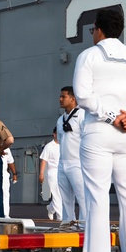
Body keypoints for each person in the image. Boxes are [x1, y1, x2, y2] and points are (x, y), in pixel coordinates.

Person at [67, 7, 126, 252]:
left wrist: (111, 116)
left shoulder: (89, 56)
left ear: (98, 29)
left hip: (100, 132)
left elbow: (83, 96)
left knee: (97, 195)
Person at [55, 85, 85, 224]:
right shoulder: (61, 119)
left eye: (64, 96)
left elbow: (87, 138)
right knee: (65, 199)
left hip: (77, 162)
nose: (60, 99)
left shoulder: (82, 115)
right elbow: (61, 140)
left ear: (73, 98)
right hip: (63, 163)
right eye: (60, 96)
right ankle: (68, 226)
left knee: (82, 197)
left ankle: (85, 228)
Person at [38, 129, 62, 221]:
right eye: (58, 133)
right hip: (53, 171)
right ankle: (60, 216)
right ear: (54, 134)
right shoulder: (49, 146)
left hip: (63, 170)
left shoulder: (64, 144)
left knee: (62, 194)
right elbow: (44, 160)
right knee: (56, 194)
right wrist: (41, 174)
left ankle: (51, 208)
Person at [2, 147, 18, 217]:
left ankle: (5, 214)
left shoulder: (6, 149)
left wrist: (14, 174)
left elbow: (10, 161)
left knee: (5, 194)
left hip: (4, 174)